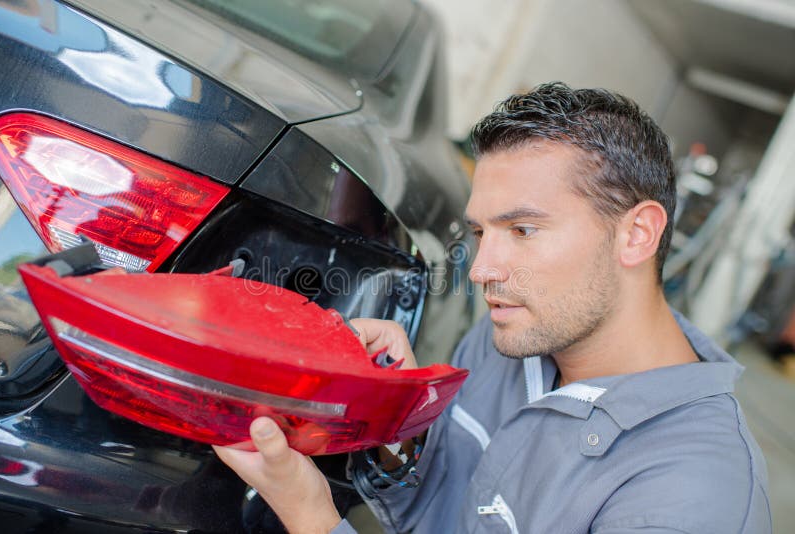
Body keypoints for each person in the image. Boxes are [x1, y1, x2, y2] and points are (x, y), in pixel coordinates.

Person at [213, 83, 772, 533]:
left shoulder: (692, 494)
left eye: (523, 229)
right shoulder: (511, 330)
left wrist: (309, 516)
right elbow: (441, 508)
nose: (482, 270)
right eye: (482, 231)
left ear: (637, 234)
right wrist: (400, 425)